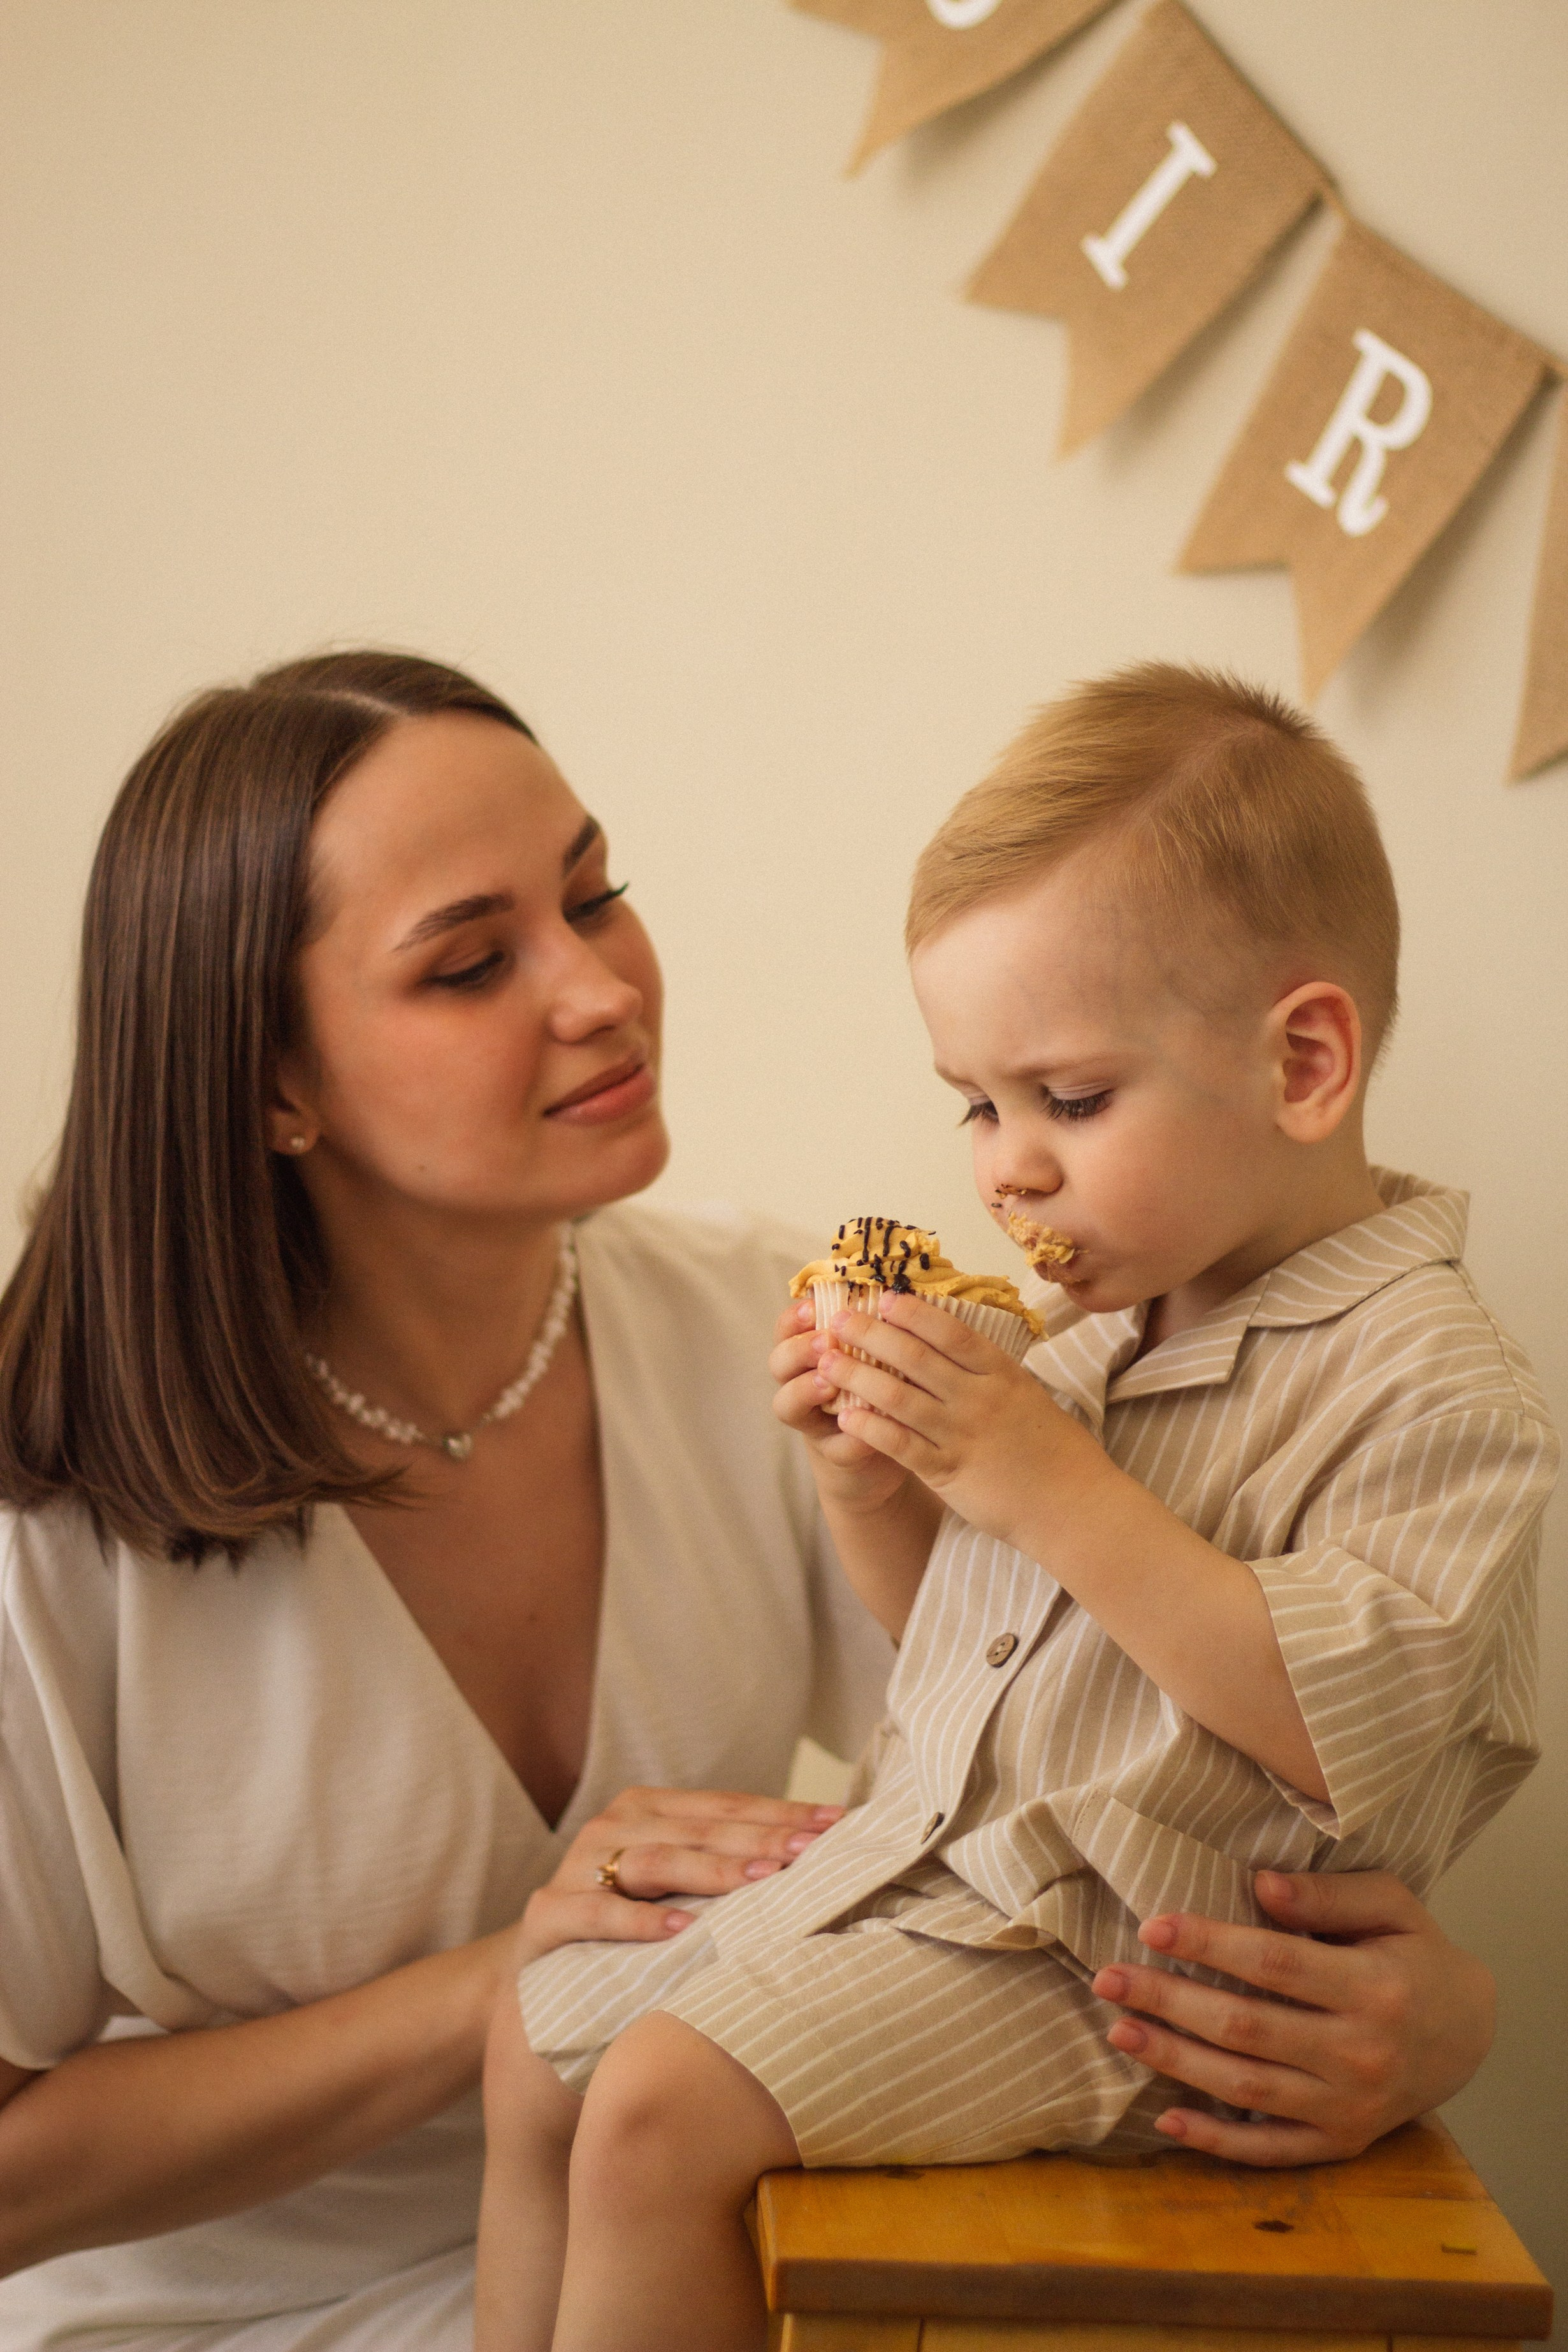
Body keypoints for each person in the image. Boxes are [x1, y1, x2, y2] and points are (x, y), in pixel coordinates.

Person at [0, 653, 1504, 2352]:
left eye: (596, 892)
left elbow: (1075, 1767)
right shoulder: (45, 1510)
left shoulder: (766, 1326)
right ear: (270, 1082)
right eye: (476, 961)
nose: (599, 988)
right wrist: (502, 1979)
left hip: (685, 2264)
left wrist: (1431, 2009)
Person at [474, 665, 1555, 2352]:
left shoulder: (1428, 1385)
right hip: (943, 1875)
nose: (1002, 1167)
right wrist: (868, 1478)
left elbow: (1337, 1731)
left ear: (1303, 1062)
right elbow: (966, 1655)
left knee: (656, 2109)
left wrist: (1038, 1477)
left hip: (1131, 1963)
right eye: (973, 1103)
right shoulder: (1098, 1329)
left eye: (1067, 1097)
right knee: (537, 2034)